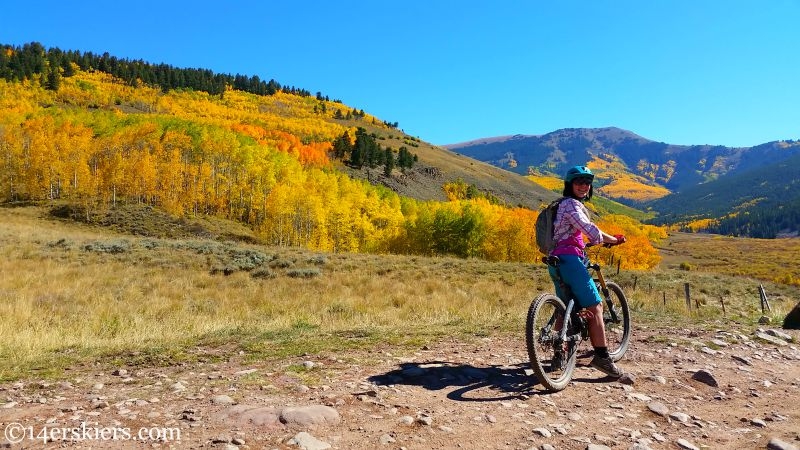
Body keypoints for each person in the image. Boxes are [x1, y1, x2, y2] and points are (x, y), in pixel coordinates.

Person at [548, 165, 626, 378]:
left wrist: (591, 242)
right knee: (596, 306)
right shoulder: (571, 205)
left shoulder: (559, 206)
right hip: (571, 261)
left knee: (564, 310)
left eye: (587, 182)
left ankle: (558, 355)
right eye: (578, 182)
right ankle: (602, 357)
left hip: (556, 260)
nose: (583, 186)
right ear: (569, 185)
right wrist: (612, 239)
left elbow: (571, 234)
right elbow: (588, 228)